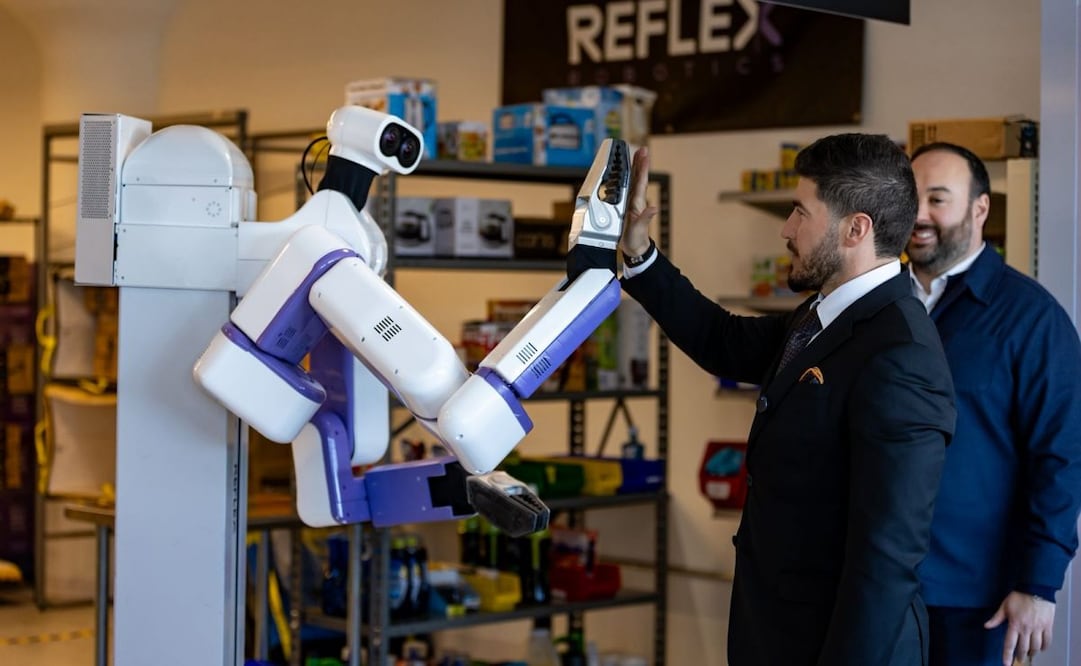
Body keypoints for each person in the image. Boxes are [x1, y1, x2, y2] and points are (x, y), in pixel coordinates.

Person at [619, 133, 956, 665]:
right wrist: (640, 255)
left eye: (801, 212)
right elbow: (723, 340)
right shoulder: (823, 314)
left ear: (856, 229)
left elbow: (887, 560)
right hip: (776, 633)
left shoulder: (900, 354)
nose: (787, 229)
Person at [907, 142, 1081, 666]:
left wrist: (1038, 584)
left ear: (980, 208)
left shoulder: (1032, 318)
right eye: (911, 198)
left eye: (938, 199)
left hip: (977, 599)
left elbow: (1062, 458)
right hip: (879, 587)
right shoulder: (882, 304)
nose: (919, 214)